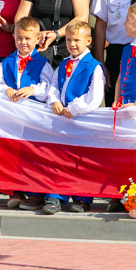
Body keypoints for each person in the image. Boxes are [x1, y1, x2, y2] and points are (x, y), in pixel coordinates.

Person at [0, 16, 53, 210]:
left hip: (33, 119)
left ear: (37, 39)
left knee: (33, 155)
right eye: (19, 38)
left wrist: (33, 90)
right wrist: (4, 89)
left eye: (27, 39)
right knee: (14, 154)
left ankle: (35, 194)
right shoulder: (7, 62)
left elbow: (49, 86)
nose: (23, 43)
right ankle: (16, 189)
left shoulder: (43, 63)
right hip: (14, 119)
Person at [47, 21, 105, 213]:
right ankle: (55, 196)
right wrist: (54, 100)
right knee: (60, 158)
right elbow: (54, 85)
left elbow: (94, 97)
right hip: (63, 119)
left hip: (82, 120)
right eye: (69, 40)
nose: (72, 44)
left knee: (81, 160)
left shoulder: (94, 66)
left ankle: (82, 198)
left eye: (77, 40)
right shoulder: (63, 63)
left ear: (88, 41)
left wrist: (73, 107)